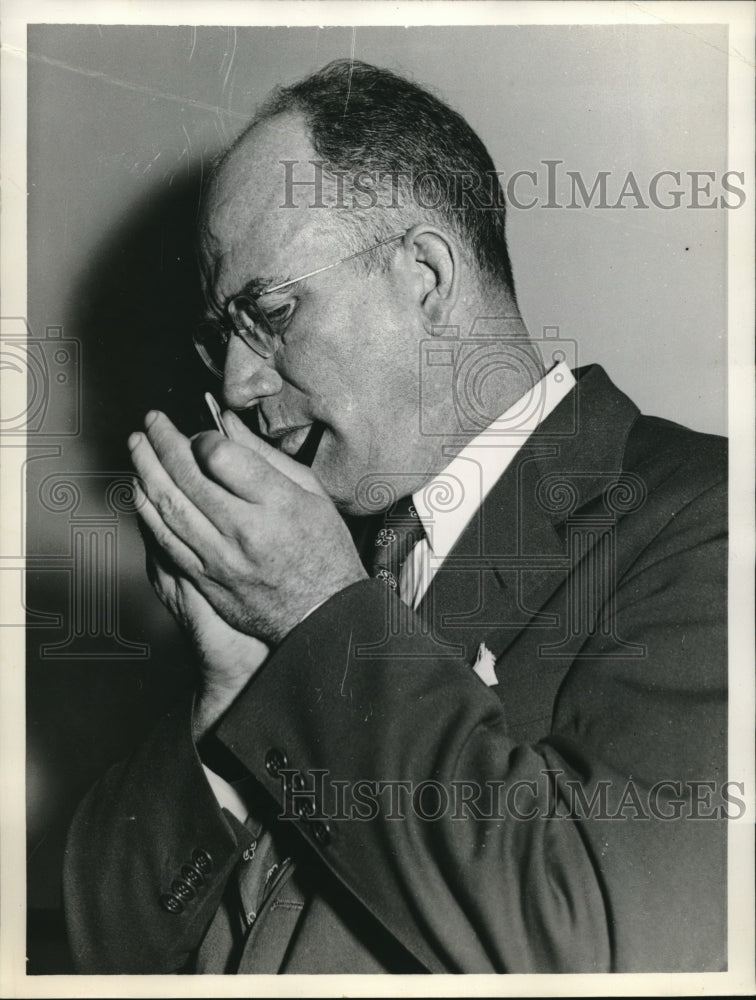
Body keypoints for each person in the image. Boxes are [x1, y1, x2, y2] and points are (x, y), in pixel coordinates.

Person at [63, 60, 728, 974]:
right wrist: (231, 695)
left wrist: (315, 618)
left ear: (424, 275)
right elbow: (95, 957)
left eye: (273, 311)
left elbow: (608, 944)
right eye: (223, 339)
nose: (236, 387)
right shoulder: (323, 569)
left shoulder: (711, 516)